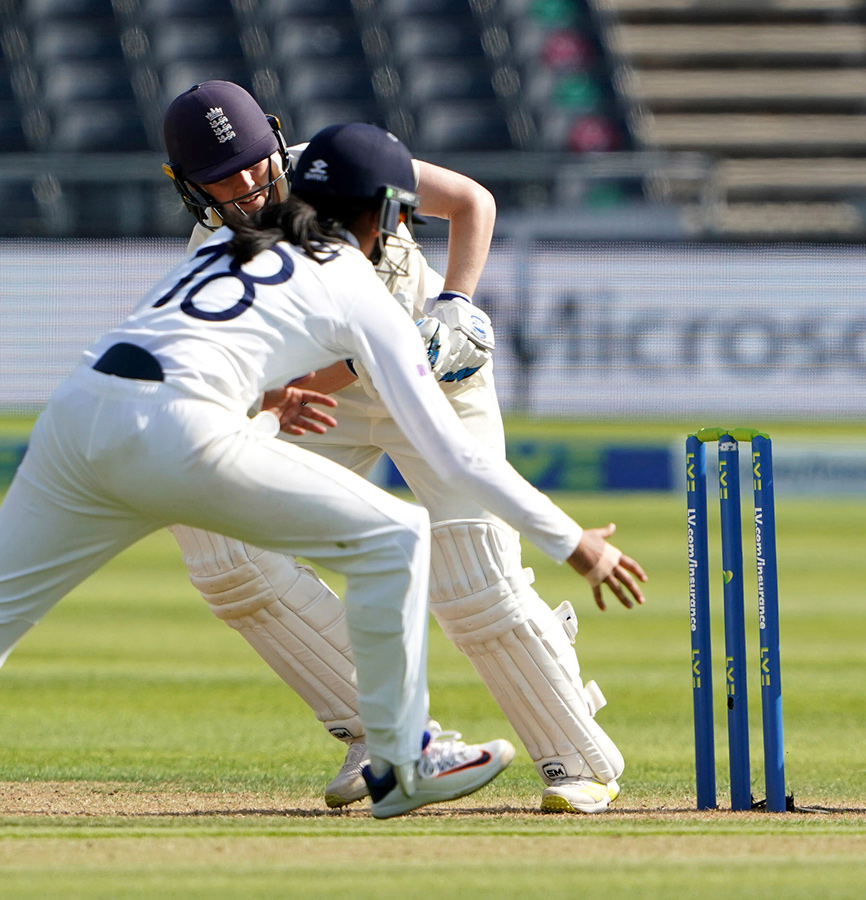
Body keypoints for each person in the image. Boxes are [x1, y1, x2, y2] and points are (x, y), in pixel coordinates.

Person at [0, 121, 647, 819]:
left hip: (93, 409)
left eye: (253, 167)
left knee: (472, 579)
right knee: (256, 548)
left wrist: (454, 303)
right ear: (386, 213)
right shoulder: (327, 266)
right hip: (334, 391)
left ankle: (576, 757)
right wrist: (573, 541)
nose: (244, 187)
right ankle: (389, 742)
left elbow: (469, 205)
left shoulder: (245, 232)